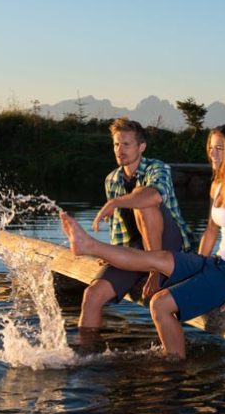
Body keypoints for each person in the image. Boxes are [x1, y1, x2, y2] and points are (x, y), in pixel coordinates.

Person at [62, 124, 225, 358]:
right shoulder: (217, 184)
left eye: (220, 148)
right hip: (215, 263)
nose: (213, 153)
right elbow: (210, 231)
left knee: (159, 304)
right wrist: (197, 264)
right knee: (157, 260)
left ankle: (175, 367)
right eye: (211, 148)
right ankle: (90, 246)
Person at [78, 118, 193, 329]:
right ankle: (84, 357)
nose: (119, 150)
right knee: (92, 295)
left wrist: (115, 202)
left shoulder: (157, 167)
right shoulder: (111, 179)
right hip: (136, 250)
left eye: (126, 144)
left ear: (141, 147)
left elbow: (154, 197)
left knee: (143, 200)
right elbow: (118, 228)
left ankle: (155, 271)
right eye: (116, 144)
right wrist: (112, 254)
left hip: (171, 248)